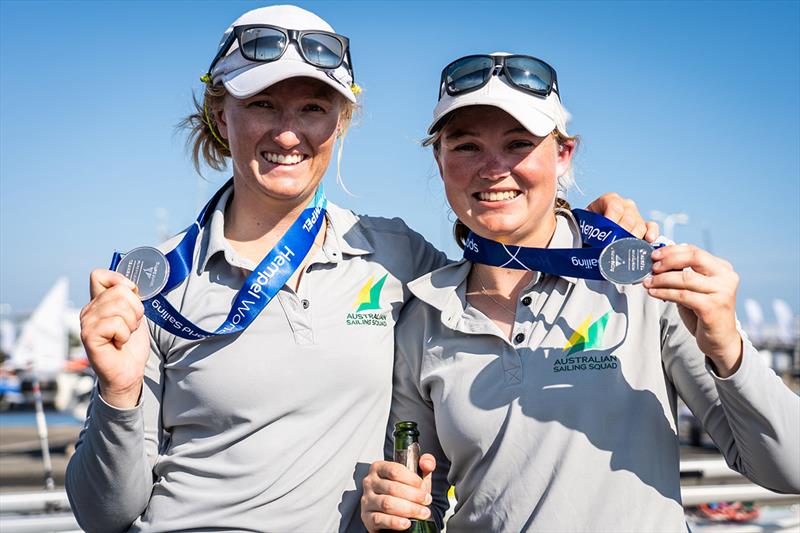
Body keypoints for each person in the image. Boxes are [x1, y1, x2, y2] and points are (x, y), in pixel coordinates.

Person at [66, 7, 654, 532]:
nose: (288, 131)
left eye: (313, 108)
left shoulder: (395, 254)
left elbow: (497, 265)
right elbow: (105, 514)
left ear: (340, 122)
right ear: (221, 114)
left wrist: (586, 227)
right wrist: (117, 394)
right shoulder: (157, 283)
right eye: (262, 103)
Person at [360, 52, 800, 532]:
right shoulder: (425, 315)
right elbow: (423, 500)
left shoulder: (641, 284)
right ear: (439, 161)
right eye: (466, 146)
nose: (492, 168)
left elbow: (788, 469)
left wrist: (728, 349)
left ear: (563, 155)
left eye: (518, 143)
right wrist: (394, 508)